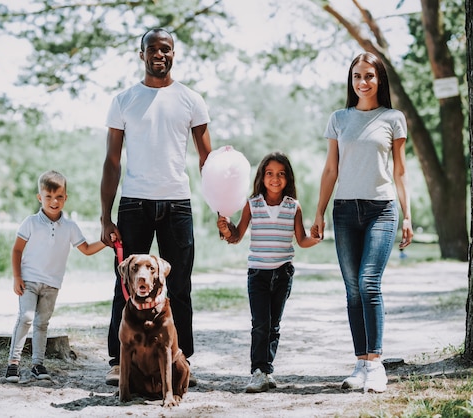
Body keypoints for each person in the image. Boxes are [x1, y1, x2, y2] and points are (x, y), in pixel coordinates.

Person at [100, 27, 212, 387]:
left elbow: (206, 159)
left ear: (174, 54)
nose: (159, 55)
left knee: (179, 284)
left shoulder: (191, 100)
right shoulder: (124, 100)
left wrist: (221, 208)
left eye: (165, 49)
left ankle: (181, 360)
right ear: (142, 54)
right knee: (126, 284)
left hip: (178, 202)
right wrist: (106, 215)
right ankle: (119, 361)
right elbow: (112, 162)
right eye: (152, 49)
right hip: (133, 203)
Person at [310, 52, 413, 393]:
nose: (362, 82)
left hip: (381, 210)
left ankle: (376, 364)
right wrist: (320, 211)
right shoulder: (339, 118)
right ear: (350, 80)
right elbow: (330, 169)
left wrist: (407, 215)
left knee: (369, 282)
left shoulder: (393, 118)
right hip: (344, 211)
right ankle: (361, 363)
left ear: (379, 79)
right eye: (357, 76)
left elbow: (399, 170)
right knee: (353, 290)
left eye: (369, 76)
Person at [217, 151, 320, 393]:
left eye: (281, 174)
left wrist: (315, 238)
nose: (275, 179)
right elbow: (236, 237)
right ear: (262, 177)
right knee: (260, 323)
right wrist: (226, 229)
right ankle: (258, 371)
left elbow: (301, 240)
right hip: (258, 274)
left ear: (288, 179)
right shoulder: (252, 205)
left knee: (274, 325)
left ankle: (267, 370)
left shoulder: (293, 206)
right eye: (270, 173)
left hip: (283, 273)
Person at [5, 170, 108, 383]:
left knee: (42, 323)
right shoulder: (30, 222)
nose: (54, 201)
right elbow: (16, 251)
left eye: (59, 197)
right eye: (48, 197)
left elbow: (87, 249)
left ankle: (37, 364)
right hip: (29, 280)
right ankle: (13, 364)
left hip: (52, 284)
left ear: (65, 198)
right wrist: (17, 277)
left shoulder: (70, 227)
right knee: (25, 318)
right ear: (39, 197)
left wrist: (107, 241)